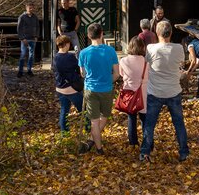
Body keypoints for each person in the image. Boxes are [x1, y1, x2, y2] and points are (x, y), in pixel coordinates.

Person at [139, 20, 189, 163]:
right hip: (173, 91)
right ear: (171, 33)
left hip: (155, 92)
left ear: (156, 33)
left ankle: (145, 152)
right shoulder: (178, 48)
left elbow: (146, 62)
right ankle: (184, 152)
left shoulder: (150, 49)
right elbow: (181, 63)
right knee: (179, 123)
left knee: (149, 124)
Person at [77, 23, 119, 155]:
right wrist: (107, 81)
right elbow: (117, 74)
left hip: (90, 89)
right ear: (101, 34)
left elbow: (82, 74)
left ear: (89, 36)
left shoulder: (83, 53)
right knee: (104, 117)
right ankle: (97, 146)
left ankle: (94, 143)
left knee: (94, 121)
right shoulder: (111, 51)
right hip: (106, 89)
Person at [118, 36, 148, 146]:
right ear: (142, 47)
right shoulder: (146, 62)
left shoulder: (123, 61)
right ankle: (147, 143)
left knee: (131, 118)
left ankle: (133, 142)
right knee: (145, 120)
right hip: (143, 94)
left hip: (129, 93)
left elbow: (121, 74)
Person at [53, 35, 87, 134]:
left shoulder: (55, 57)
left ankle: (64, 132)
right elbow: (78, 68)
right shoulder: (69, 57)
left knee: (64, 110)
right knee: (84, 110)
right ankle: (88, 128)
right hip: (71, 89)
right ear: (67, 44)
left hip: (60, 88)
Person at [16, 3, 40, 77]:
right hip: (25, 39)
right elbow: (19, 28)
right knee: (23, 55)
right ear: (26, 8)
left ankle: (29, 70)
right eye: (30, 8)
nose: (31, 9)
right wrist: (22, 38)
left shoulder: (35, 17)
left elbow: (37, 27)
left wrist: (36, 36)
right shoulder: (22, 17)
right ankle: (20, 71)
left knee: (31, 56)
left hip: (32, 39)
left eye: (32, 8)